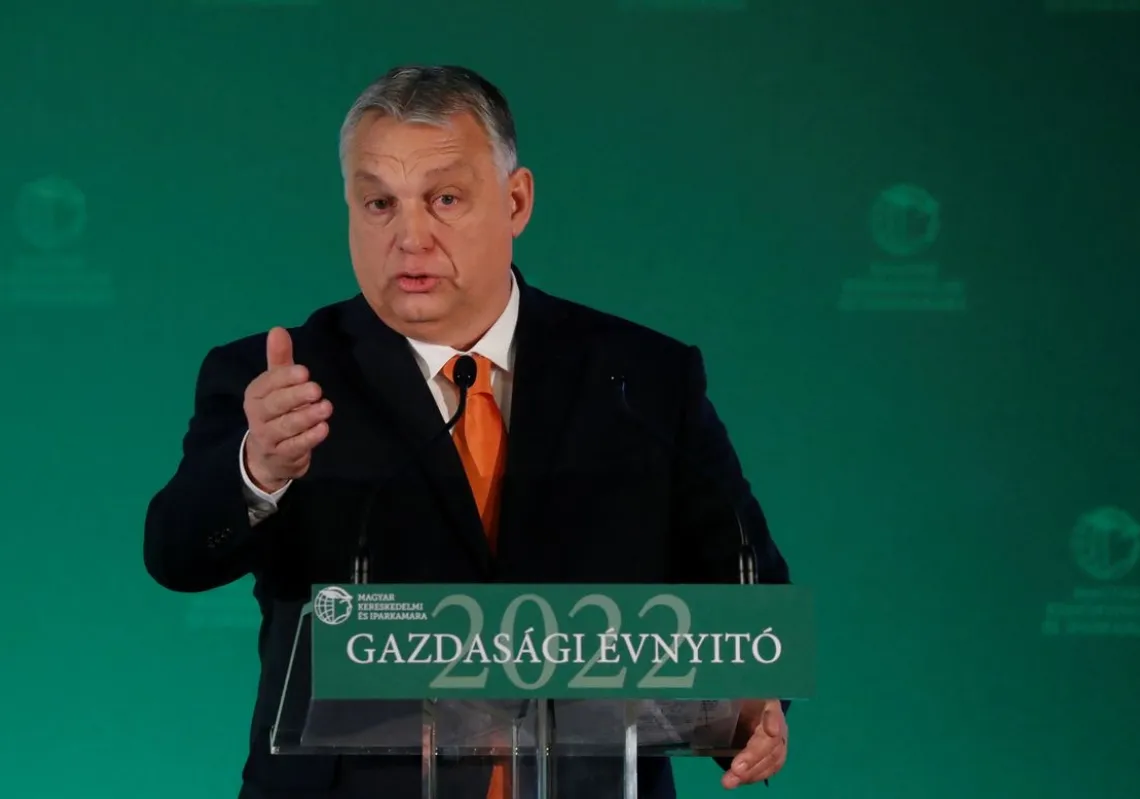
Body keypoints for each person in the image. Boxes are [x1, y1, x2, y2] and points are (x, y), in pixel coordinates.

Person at [143, 64, 792, 799]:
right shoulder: (280, 382)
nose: (409, 236)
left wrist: (754, 707)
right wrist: (256, 468)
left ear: (516, 201)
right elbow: (176, 553)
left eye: (444, 198)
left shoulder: (640, 379)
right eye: (379, 203)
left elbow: (748, 585)